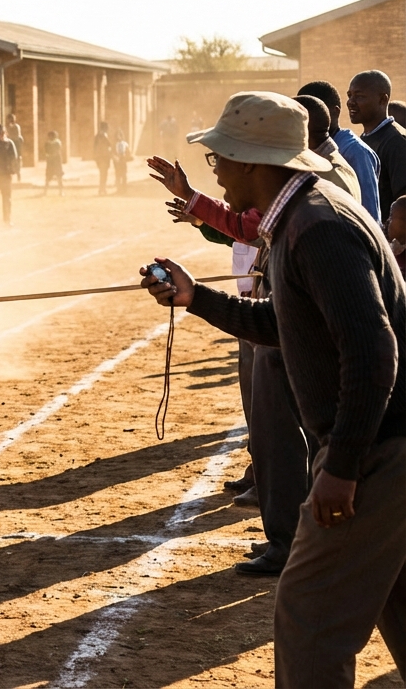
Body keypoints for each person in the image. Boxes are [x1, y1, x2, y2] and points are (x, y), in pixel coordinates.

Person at [142, 91, 406, 684]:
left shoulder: (317, 227)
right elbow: (287, 326)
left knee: (309, 619)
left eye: (220, 160)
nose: (217, 171)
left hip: (381, 452)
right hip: (385, 446)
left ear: (254, 162)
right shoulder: (302, 214)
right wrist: (195, 297)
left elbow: (373, 351)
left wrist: (342, 465)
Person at [299, 80, 380, 221]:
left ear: (334, 112)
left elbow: (369, 213)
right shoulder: (313, 152)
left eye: (306, 115)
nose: (300, 121)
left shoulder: (355, 152)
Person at [347, 70, 406, 219]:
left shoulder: (397, 142)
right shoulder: (362, 140)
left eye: (359, 96)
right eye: (350, 95)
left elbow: (403, 204)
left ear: (382, 100)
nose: (350, 102)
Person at [93, 122, 114, 195]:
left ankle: (102, 189)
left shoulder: (97, 136)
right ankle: (102, 189)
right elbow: (109, 144)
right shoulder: (104, 136)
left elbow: (94, 147)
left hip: (99, 157)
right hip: (104, 157)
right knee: (104, 174)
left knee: (102, 173)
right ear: (105, 128)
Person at [43, 130, 64, 195]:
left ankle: (61, 192)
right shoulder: (47, 143)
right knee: (48, 177)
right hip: (50, 162)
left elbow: (57, 151)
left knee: (59, 177)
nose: (51, 137)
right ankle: (45, 192)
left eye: (52, 136)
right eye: (50, 136)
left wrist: (50, 155)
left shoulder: (57, 143)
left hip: (56, 162)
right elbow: (46, 152)